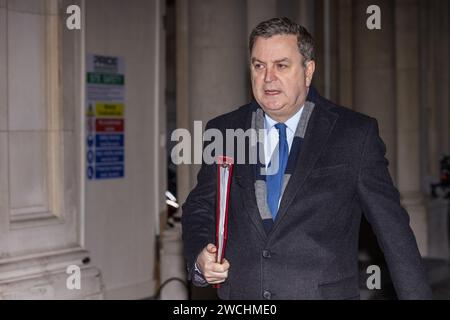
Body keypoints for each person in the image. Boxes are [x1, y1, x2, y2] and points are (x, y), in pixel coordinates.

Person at [181, 17, 432, 300]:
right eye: (258, 65)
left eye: (281, 65)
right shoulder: (225, 131)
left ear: (308, 71)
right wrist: (201, 255)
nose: (268, 78)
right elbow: (200, 206)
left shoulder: (353, 134)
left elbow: (393, 230)